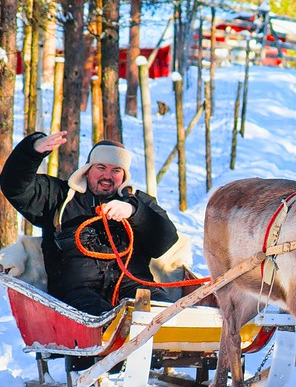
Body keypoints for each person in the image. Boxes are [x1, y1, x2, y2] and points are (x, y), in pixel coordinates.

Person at [0, 131, 179, 316]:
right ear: (88, 169)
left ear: (124, 175)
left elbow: (165, 240)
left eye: (116, 170)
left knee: (170, 315)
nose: (107, 176)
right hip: (77, 295)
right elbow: (14, 186)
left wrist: (134, 213)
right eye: (101, 167)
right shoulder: (58, 197)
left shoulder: (138, 202)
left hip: (135, 287)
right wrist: (31, 151)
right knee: (108, 323)